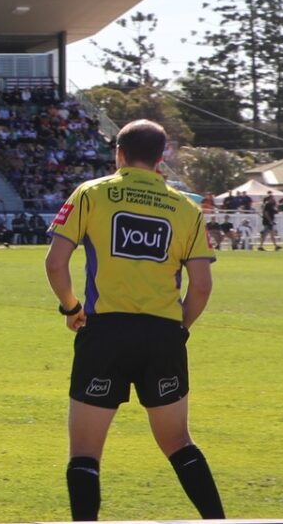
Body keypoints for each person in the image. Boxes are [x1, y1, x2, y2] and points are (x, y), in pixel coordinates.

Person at [44, 120, 222, 522]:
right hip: (162, 336)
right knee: (179, 443)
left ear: (119, 154)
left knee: (86, 453)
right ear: (162, 158)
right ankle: (218, 521)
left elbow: (55, 264)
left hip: (104, 332)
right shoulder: (186, 208)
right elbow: (202, 286)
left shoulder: (91, 194)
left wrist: (73, 309)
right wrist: (179, 329)